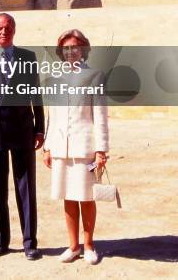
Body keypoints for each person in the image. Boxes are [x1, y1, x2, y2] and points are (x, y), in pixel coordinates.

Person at [0, 13, 44, 260]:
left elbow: (37, 96)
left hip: (23, 129)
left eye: (9, 27)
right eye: (0, 28)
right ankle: (0, 241)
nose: (5, 31)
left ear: (14, 30)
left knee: (26, 189)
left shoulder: (28, 58)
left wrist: (40, 128)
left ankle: (30, 243)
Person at [43, 29, 109, 265]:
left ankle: (89, 246)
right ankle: (73, 246)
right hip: (61, 148)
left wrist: (101, 150)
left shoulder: (95, 76)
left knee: (86, 197)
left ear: (83, 50)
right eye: (66, 48)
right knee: (68, 198)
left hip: (85, 148)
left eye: (75, 47)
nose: (71, 52)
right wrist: (48, 147)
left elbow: (100, 115)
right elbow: (51, 116)